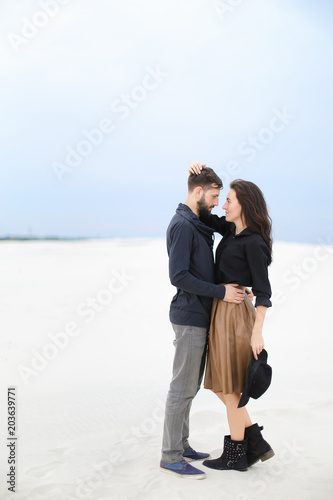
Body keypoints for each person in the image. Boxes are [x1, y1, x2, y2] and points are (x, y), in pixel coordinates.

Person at [160, 167, 251, 480]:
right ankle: (171, 457)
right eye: (214, 196)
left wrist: (236, 285)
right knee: (181, 390)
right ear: (198, 192)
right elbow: (179, 276)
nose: (216, 203)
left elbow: (226, 230)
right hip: (188, 316)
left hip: (200, 316)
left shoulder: (196, 220)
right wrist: (221, 292)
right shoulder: (183, 225)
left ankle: (181, 446)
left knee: (189, 388)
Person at [188, 161, 274, 472]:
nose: (223, 204)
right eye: (223, 199)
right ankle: (252, 442)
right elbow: (202, 212)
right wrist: (194, 177)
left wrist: (257, 331)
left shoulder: (253, 242)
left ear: (244, 206)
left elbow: (264, 291)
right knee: (226, 385)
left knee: (231, 387)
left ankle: (237, 453)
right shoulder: (232, 231)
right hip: (222, 312)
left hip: (237, 318)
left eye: (229, 200)